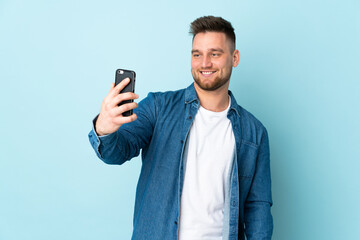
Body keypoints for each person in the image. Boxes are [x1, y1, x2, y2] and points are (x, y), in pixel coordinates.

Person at [88, 16, 273, 240]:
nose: (204, 63)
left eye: (215, 54)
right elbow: (117, 152)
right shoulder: (158, 107)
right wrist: (105, 128)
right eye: (197, 54)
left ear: (234, 58)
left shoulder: (254, 133)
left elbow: (258, 208)